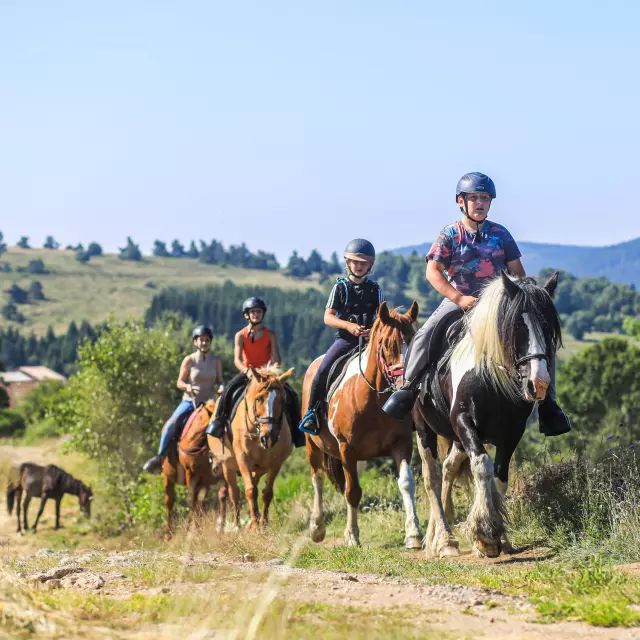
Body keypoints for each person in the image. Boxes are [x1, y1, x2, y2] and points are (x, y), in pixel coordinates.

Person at [383, 172, 571, 437]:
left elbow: (517, 271)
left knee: (540, 342)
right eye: (474, 198)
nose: (480, 203)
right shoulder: (449, 234)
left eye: (484, 198)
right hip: (460, 301)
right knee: (425, 334)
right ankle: (407, 389)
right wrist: (458, 298)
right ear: (462, 202)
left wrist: (523, 298)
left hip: (499, 305)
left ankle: (548, 405)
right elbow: (432, 272)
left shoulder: (501, 234)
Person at [298, 238, 384, 435]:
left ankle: (404, 412)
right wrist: (349, 326)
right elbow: (328, 317)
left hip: (371, 340)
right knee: (322, 370)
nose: (359, 266)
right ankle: (312, 412)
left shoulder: (375, 289)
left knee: (395, 366)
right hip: (346, 340)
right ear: (348, 263)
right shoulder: (340, 287)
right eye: (355, 262)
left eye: (363, 263)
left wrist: (374, 331)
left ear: (370, 265)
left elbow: (382, 316)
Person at [206, 297, 304, 446]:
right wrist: (247, 372)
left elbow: (276, 358)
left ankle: (298, 432)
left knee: (292, 394)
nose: (256, 315)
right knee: (228, 390)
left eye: (259, 312)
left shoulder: (270, 334)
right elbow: (237, 360)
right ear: (247, 315)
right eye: (253, 312)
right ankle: (219, 422)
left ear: (262, 314)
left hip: (267, 374)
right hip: (248, 373)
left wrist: (271, 370)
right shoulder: (240, 335)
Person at [143, 325, 223, 474]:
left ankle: (230, 460)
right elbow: (179, 382)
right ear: (195, 342)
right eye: (201, 340)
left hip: (209, 404)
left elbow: (219, 380)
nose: (204, 343)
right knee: (170, 426)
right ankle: (160, 459)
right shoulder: (189, 360)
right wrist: (187, 387)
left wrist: (220, 387)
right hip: (190, 402)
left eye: (207, 340)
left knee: (225, 425)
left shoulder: (216, 360)